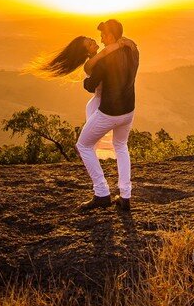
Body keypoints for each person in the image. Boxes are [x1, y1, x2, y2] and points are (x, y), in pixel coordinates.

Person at [31, 19, 140, 212]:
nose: (99, 38)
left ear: (111, 36)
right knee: (121, 146)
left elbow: (91, 86)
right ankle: (125, 196)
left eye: (102, 35)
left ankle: (101, 193)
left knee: (83, 146)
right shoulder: (133, 51)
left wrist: (85, 82)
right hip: (129, 110)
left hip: (110, 112)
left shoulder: (102, 62)